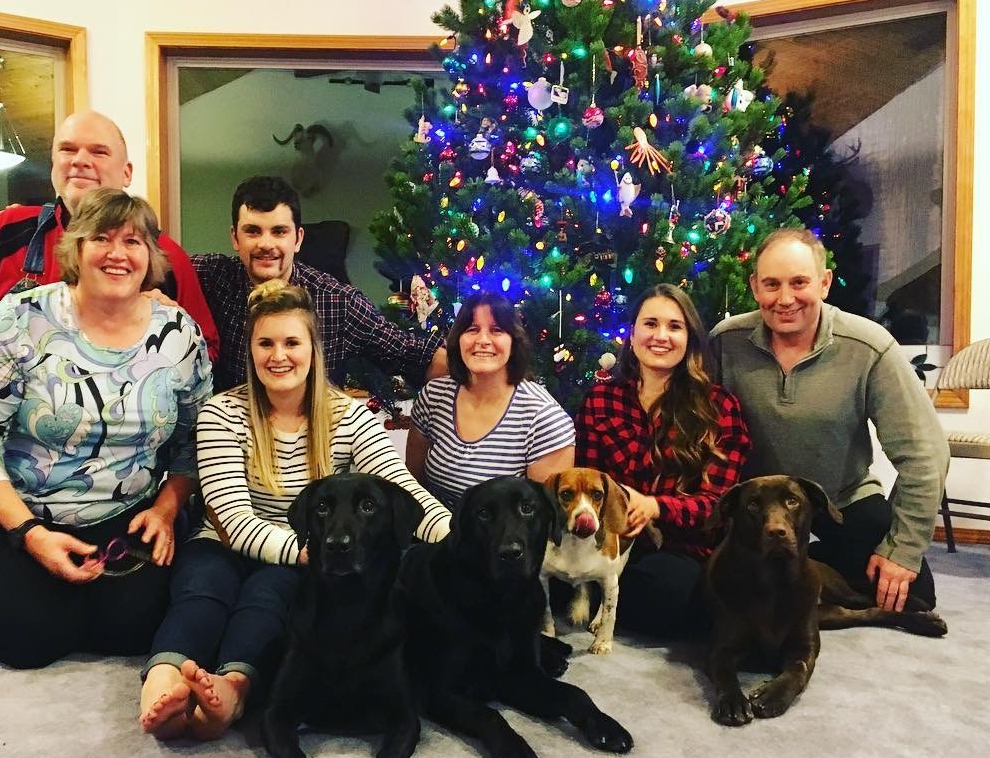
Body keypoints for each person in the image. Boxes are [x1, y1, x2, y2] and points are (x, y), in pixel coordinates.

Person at [0, 111, 219, 629]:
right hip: (4, 425)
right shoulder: (5, 234)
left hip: (122, 474)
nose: (80, 161)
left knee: (133, 624)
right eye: (67, 150)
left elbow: (199, 359)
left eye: (97, 152)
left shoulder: (166, 260)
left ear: (126, 172)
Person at [139, 280, 450, 741]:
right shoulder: (221, 413)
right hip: (226, 542)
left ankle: (230, 691)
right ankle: (162, 686)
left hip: (301, 553)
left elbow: (399, 487)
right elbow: (234, 521)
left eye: (291, 342)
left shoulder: (351, 416)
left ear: (312, 349)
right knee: (202, 590)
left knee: (268, 598)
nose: (278, 355)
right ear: (250, 350)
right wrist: (315, 553)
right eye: (265, 343)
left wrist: (454, 539)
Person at [0, 189, 212, 668]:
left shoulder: (179, 333)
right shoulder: (21, 319)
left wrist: (168, 510)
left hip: (128, 510)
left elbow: (195, 438)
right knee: (24, 644)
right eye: (101, 239)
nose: (116, 253)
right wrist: (28, 532)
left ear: (151, 256)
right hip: (21, 510)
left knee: (134, 634)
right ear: (75, 248)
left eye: (132, 241)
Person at [710, 227, 948, 613]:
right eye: (771, 284)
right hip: (758, 511)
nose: (785, 299)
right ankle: (799, 577)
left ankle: (808, 572)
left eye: (799, 282)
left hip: (841, 500)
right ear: (755, 286)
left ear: (824, 283)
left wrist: (902, 551)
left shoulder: (870, 346)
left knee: (913, 595)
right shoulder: (725, 341)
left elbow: (925, 455)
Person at [576, 283, 751, 636]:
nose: (661, 336)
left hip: (680, 547)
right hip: (608, 537)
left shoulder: (719, 407)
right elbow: (586, 479)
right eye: (650, 324)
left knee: (661, 592)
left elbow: (718, 506)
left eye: (675, 326)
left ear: (690, 339)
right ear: (633, 332)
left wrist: (654, 507)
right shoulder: (601, 399)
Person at [192, 174, 447, 392]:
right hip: (230, 440)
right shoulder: (210, 277)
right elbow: (156, 255)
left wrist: (480, 368)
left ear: (298, 238)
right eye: (253, 231)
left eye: (279, 231)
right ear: (235, 238)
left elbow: (415, 356)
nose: (266, 244)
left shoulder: (338, 302)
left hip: (314, 441)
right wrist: (156, 295)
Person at [405, 292, 575, 508]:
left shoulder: (545, 419)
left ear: (514, 341)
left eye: (496, 330)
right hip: (434, 534)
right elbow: (412, 486)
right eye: (472, 329)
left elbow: (542, 521)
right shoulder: (434, 396)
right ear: (458, 339)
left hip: (505, 540)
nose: (483, 340)